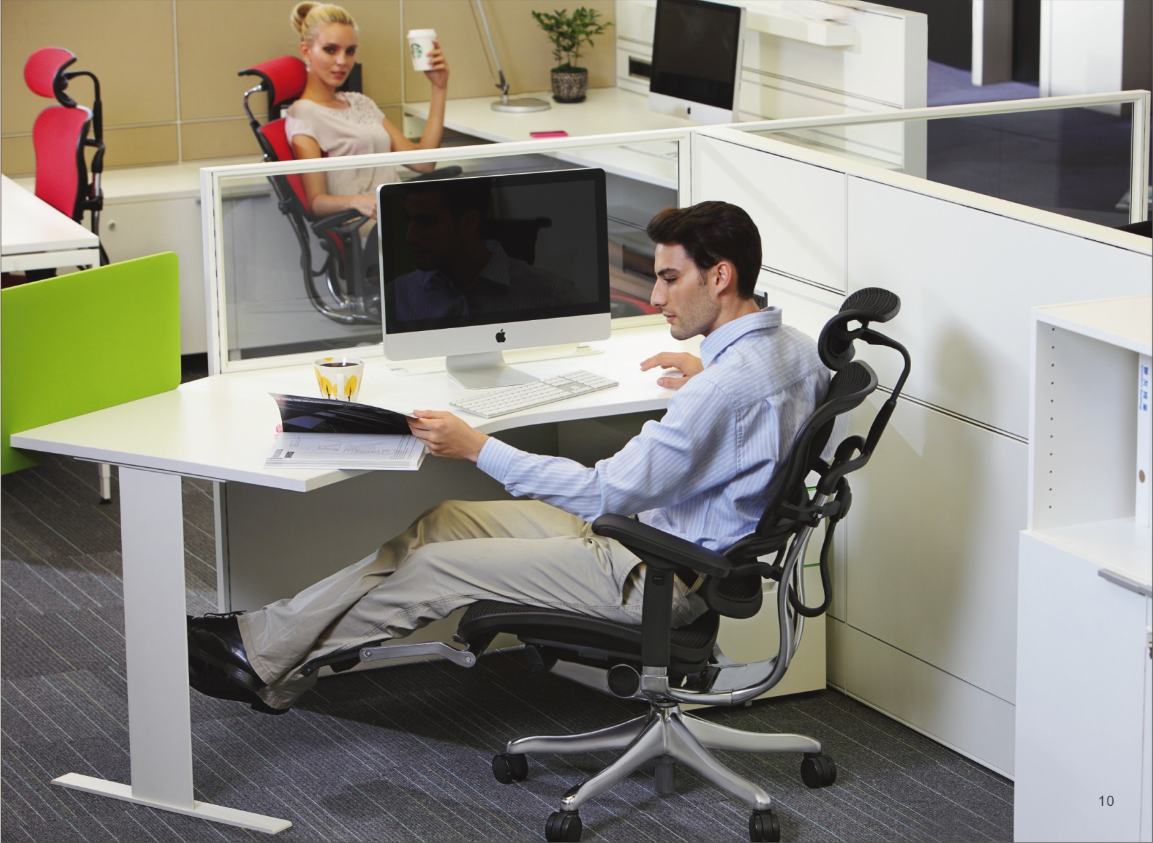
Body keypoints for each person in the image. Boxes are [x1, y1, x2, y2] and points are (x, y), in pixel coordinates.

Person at [187, 201, 836, 715]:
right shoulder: (794, 350)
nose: (657, 297)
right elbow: (757, 413)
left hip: (651, 573)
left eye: (670, 279)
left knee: (436, 568)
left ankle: (264, 660)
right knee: (443, 520)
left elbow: (602, 492)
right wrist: (706, 371)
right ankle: (264, 637)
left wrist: (478, 447)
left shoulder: (722, 392)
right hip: (652, 541)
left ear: (719, 277)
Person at [285, 2, 450, 264]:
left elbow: (424, 163)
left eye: (350, 51)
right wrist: (356, 201)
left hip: (402, 214)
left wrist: (439, 88)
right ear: (306, 51)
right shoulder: (303, 114)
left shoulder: (361, 102)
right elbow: (315, 201)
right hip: (368, 224)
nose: (342, 61)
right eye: (330, 50)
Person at [389, 182, 581, 322]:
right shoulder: (398, 296)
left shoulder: (550, 295)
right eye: (408, 220)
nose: (410, 237)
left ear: (469, 223)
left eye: (426, 222)